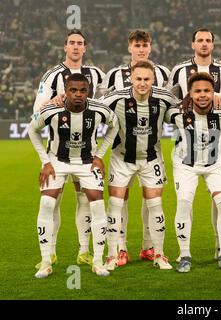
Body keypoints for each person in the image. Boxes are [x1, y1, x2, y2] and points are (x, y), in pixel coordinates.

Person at [29, 73, 118, 278]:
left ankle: (97, 261)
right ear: (66, 91)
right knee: (47, 204)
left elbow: (115, 127)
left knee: (96, 203)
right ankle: (45, 262)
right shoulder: (50, 110)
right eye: (73, 90)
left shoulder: (99, 110)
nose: (78, 94)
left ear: (88, 91)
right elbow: (32, 130)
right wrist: (46, 162)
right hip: (57, 161)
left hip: (87, 163)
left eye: (82, 90)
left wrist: (99, 156)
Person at [33, 29, 105, 269]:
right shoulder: (52, 75)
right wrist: (52, 101)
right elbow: (37, 110)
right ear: (65, 47)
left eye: (80, 43)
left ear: (85, 48)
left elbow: (104, 104)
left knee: (84, 199)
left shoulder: (95, 74)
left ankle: (85, 251)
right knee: (53, 200)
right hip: (58, 151)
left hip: (87, 151)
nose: (76, 47)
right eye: (72, 43)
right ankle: (49, 253)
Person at [99, 30, 171, 266]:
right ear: (130, 47)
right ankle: (118, 249)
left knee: (153, 201)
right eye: (137, 45)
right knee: (119, 201)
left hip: (152, 154)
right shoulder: (113, 78)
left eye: (145, 45)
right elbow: (98, 108)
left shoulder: (163, 76)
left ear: (150, 47)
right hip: (122, 153)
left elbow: (178, 107)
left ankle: (151, 248)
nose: (141, 48)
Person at [167, 28, 221, 260]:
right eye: (200, 40)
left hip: (217, 152)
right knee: (184, 203)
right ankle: (183, 254)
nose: (204, 44)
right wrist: (182, 104)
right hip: (186, 151)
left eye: (208, 41)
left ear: (213, 45)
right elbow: (168, 98)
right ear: (193, 44)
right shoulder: (179, 70)